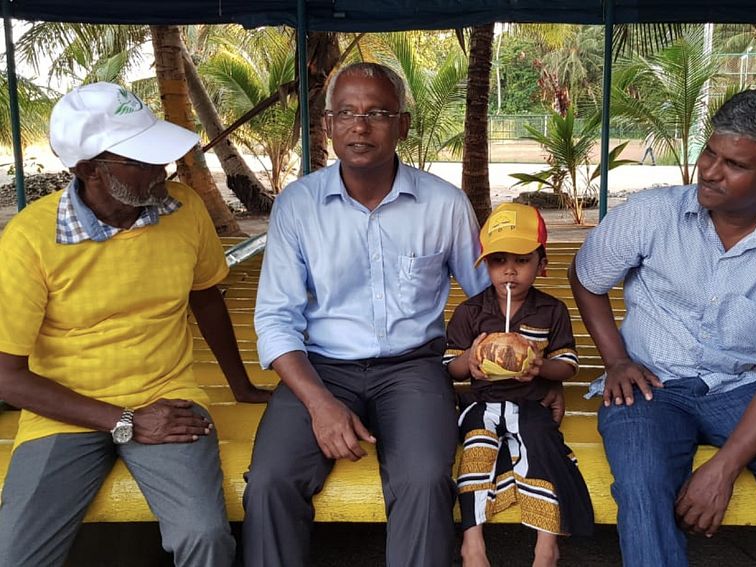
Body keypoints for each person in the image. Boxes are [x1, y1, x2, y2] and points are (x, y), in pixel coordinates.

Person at [569, 89, 756, 566]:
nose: (710, 171)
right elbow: (586, 276)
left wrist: (724, 467)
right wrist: (616, 360)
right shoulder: (650, 213)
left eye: (734, 164)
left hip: (740, 387)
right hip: (649, 385)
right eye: (709, 152)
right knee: (643, 483)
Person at [0, 82, 271, 567]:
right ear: (89, 169)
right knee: (16, 554)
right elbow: (7, 376)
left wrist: (241, 385)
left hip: (168, 398)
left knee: (205, 536)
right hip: (62, 411)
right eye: (142, 160)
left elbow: (205, 297)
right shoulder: (29, 239)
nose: (161, 168)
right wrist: (124, 421)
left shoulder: (184, 209)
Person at [241, 62, 491, 566]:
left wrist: (523, 371)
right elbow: (275, 319)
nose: (360, 126)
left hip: (413, 368)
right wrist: (320, 405)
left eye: (377, 113)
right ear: (328, 124)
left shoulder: (443, 204)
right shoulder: (298, 206)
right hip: (320, 368)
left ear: (402, 125)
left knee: (424, 478)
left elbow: (487, 297)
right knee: (269, 480)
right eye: (346, 113)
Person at [445, 203, 593, 567]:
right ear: (486, 266)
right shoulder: (471, 312)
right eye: (499, 261)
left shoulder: (552, 311)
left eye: (522, 260)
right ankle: (472, 541)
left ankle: (546, 543)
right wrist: (472, 360)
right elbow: (452, 367)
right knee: (476, 449)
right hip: (482, 402)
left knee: (542, 447)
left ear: (541, 265)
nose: (509, 270)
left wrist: (541, 366)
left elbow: (568, 365)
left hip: (531, 402)